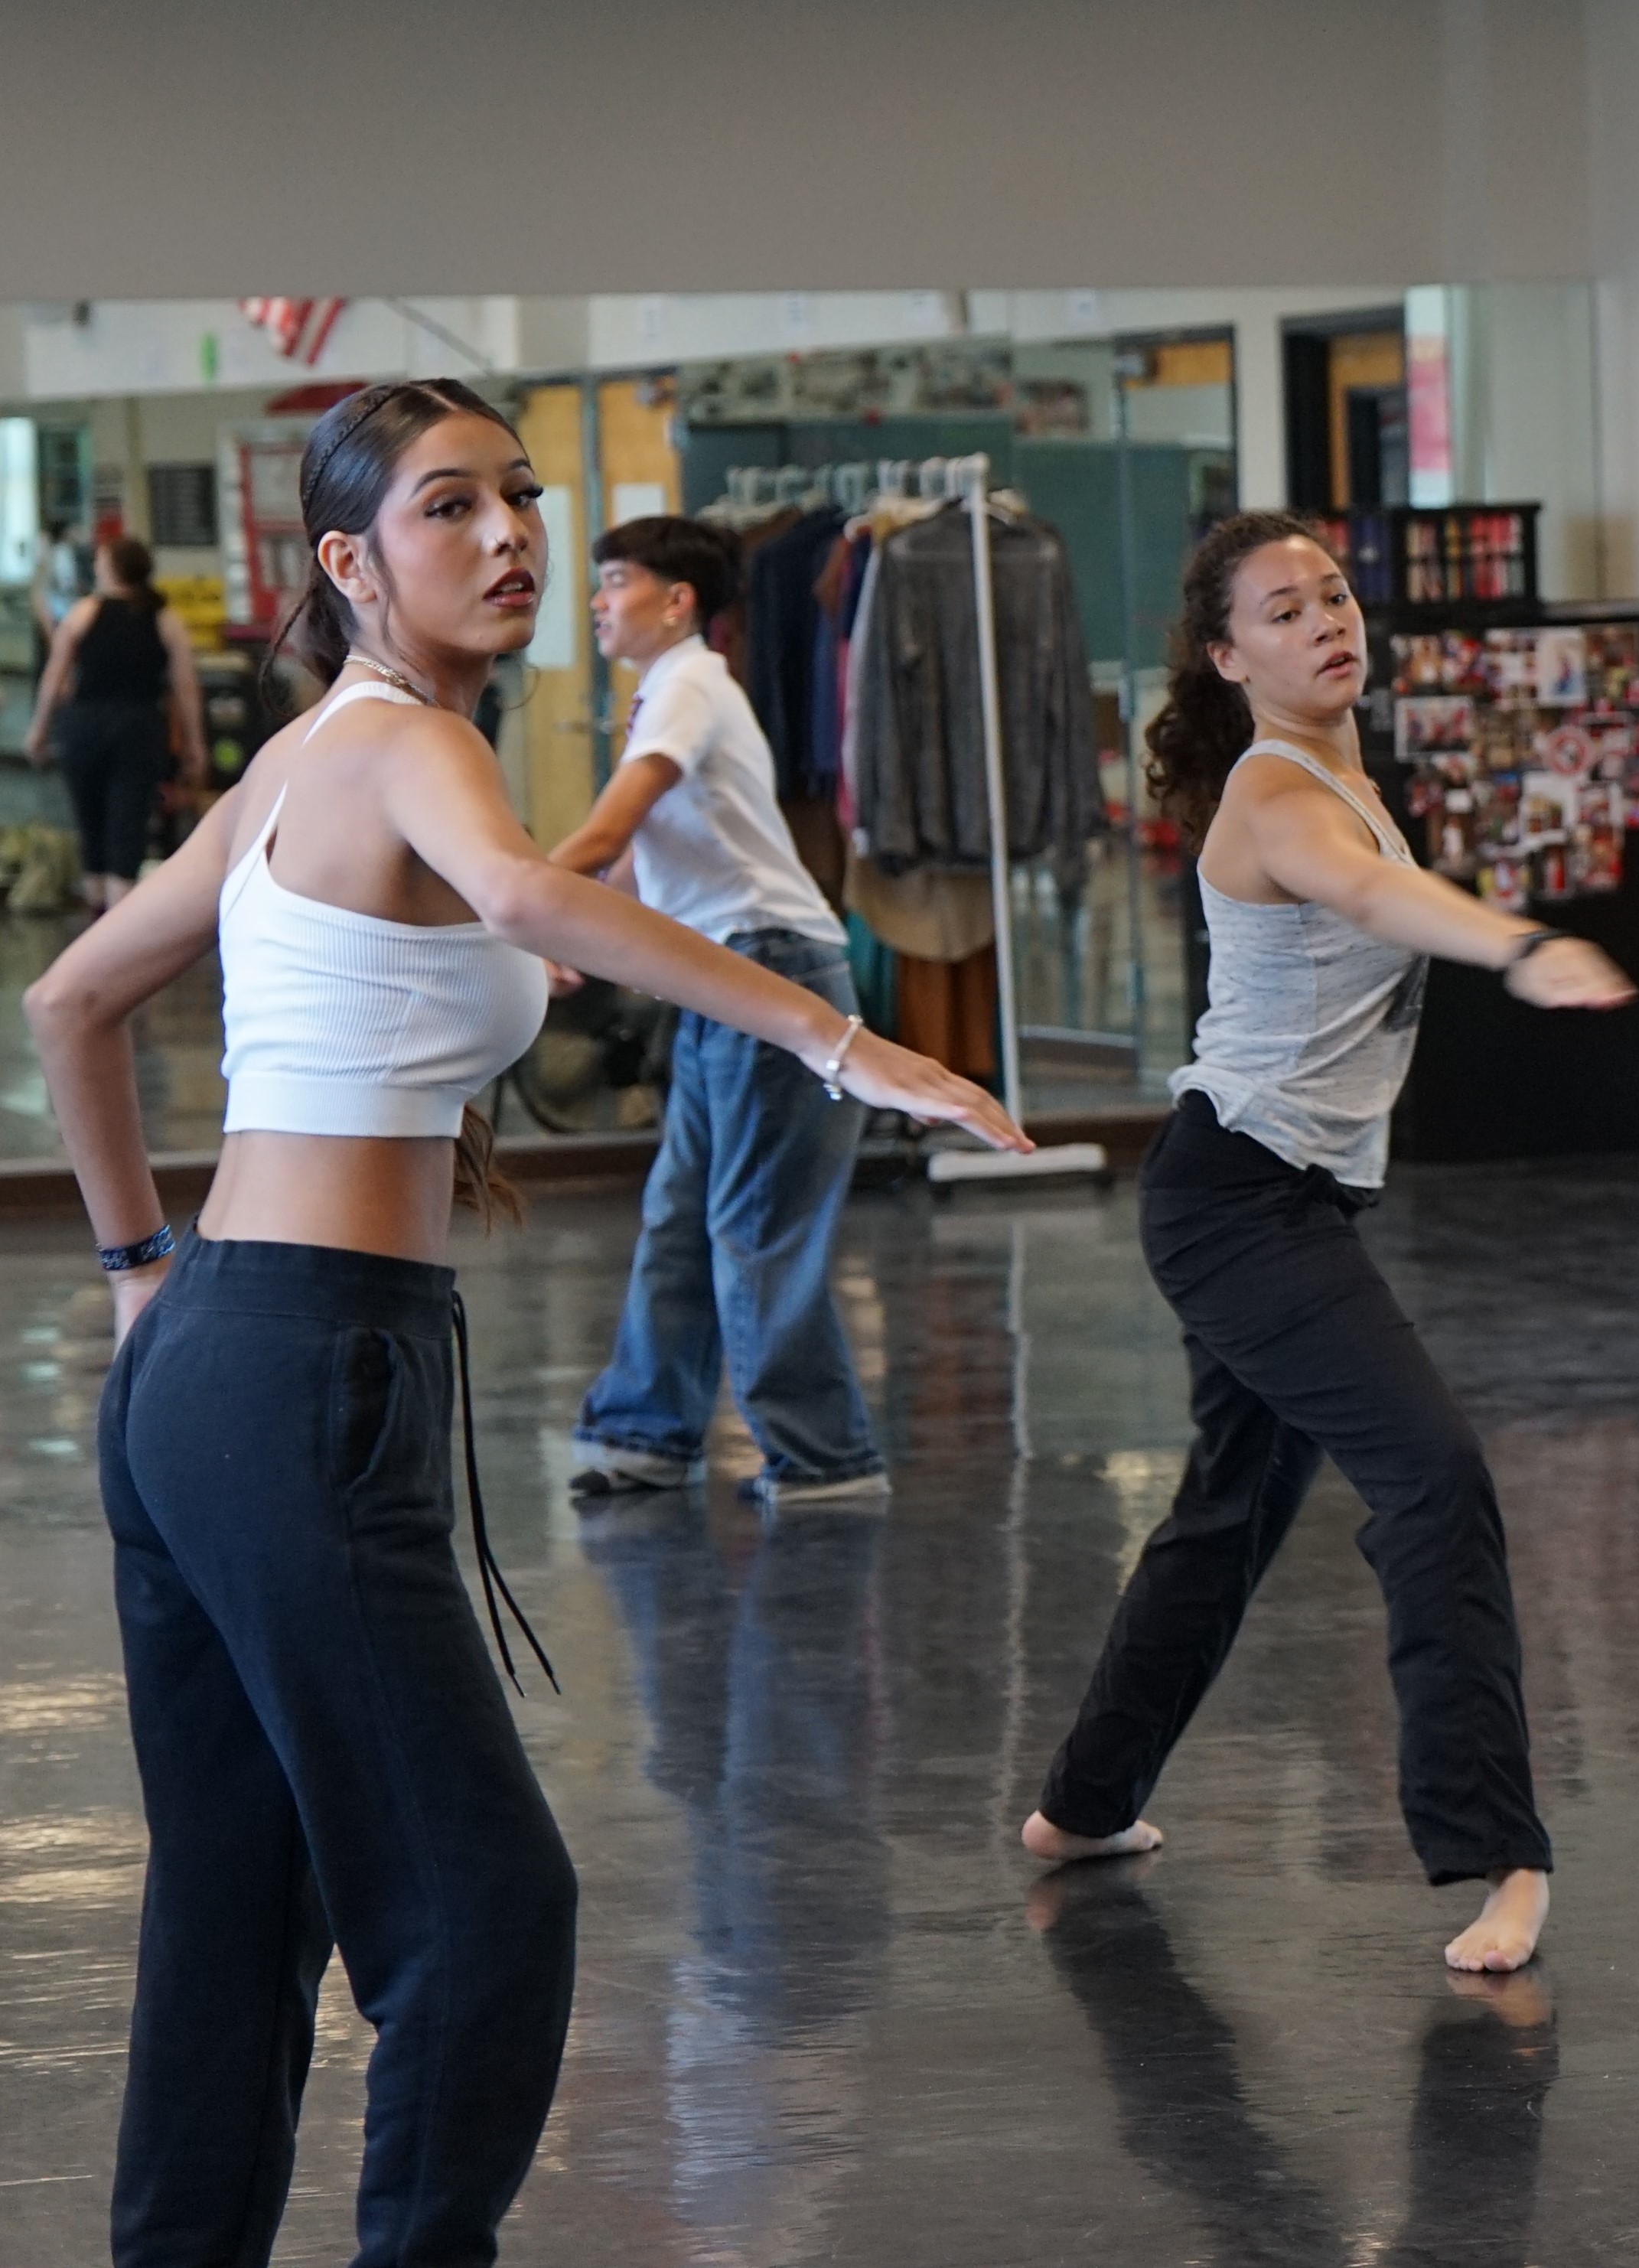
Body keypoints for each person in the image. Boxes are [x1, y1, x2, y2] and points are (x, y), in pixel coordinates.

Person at [22, 380, 1022, 2263]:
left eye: (521, 500)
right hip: (310, 1366)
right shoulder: (408, 747)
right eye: (445, 508)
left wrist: (147, 1273)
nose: (507, 538)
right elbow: (520, 893)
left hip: (219, 1369)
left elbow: (69, 1002)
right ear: (349, 558)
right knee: (485, 1914)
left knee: (236, 1917)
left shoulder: (298, 762)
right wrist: (840, 1033)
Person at [1020, 509, 1635, 1976]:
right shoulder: (1276, 795)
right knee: (1432, 1477)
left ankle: (1082, 1802)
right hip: (1239, 1203)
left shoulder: (1350, 770)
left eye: (1335, 595)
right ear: (1229, 657)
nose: (1327, 622)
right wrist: (1518, 943)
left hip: (1279, 1194)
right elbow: (1376, 898)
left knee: (1230, 1510)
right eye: (1284, 611)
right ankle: (1500, 1853)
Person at [549, 515, 886, 1507]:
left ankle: (826, 1459)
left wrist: (501, 909)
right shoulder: (672, 690)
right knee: (682, 1215)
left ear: (677, 600)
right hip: (719, 978)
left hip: (771, 972)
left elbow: (611, 824)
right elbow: (629, 852)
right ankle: (645, 1434)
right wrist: (566, 929)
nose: (599, 603)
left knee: (752, 1228)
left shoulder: (691, 682)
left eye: (615, 581)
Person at [23, 535, 205, 908]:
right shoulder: (165, 620)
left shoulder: (83, 613)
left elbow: (54, 679)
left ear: (111, 568)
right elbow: (185, 688)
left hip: (84, 728)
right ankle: (121, 929)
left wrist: (38, 731)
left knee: (91, 831)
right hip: (139, 729)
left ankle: (96, 920)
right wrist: (194, 744)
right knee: (128, 829)